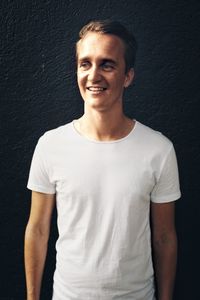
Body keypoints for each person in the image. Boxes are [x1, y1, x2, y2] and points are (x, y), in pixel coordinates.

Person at [24, 20, 181, 300]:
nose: (93, 75)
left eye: (107, 65)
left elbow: (165, 237)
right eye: (85, 64)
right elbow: (37, 231)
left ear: (128, 76)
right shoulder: (51, 145)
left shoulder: (159, 149)